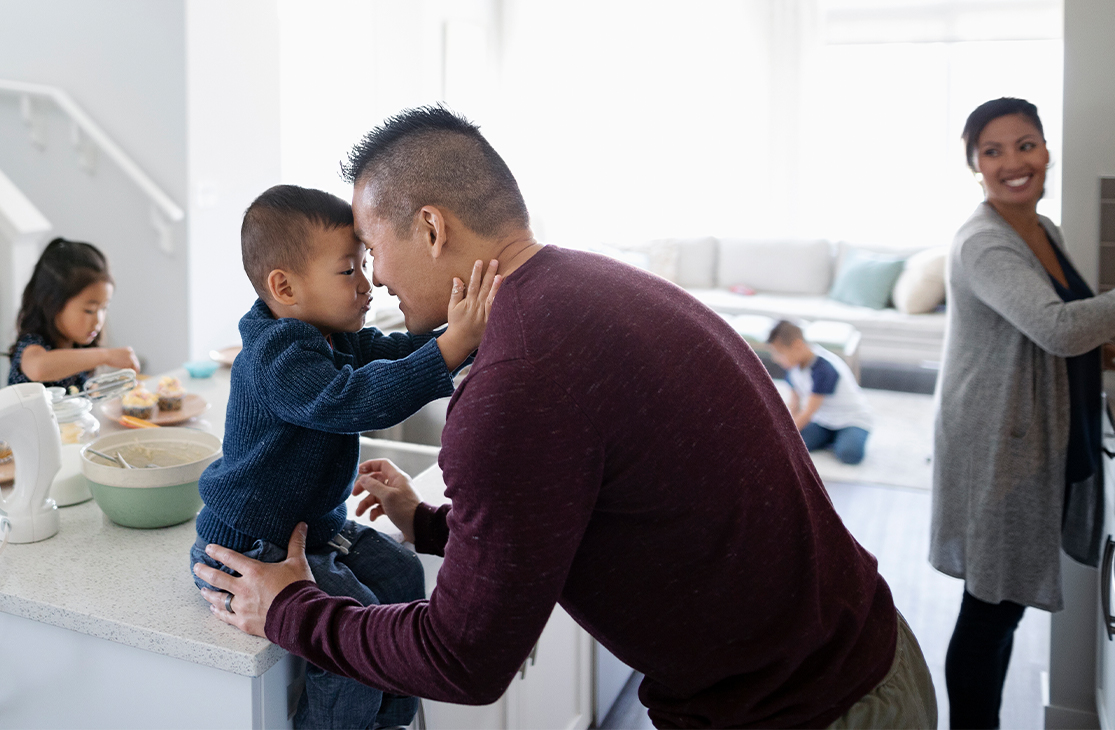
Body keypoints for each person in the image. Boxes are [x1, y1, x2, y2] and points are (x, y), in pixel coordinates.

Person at [193, 106, 938, 728]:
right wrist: (426, 526)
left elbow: (463, 657)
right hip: (857, 660)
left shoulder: (520, 382)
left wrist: (289, 607)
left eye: (373, 248)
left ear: (430, 228)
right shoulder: (596, 284)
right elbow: (563, 514)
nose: (376, 275)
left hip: (808, 711)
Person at [189, 184, 499, 729]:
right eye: (348, 271)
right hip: (254, 545)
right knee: (351, 644)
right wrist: (452, 349)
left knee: (403, 574)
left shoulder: (332, 334)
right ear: (284, 287)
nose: (367, 284)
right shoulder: (277, 354)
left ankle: (390, 721)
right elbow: (350, 400)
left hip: (316, 528)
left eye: (364, 264)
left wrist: (469, 336)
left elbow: (394, 351)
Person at [929, 97, 1115, 729]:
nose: (1014, 162)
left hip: (1028, 429)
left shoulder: (1041, 229)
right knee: (990, 607)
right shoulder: (985, 242)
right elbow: (1057, 329)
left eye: (1026, 144)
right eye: (993, 151)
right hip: (997, 440)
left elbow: (1046, 335)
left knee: (1001, 604)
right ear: (974, 167)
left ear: (1045, 151)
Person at [6, 237, 140, 388]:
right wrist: (105, 356)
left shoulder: (78, 345)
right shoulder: (32, 344)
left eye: (104, 308)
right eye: (89, 310)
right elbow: (38, 368)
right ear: (53, 303)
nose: (98, 321)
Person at [768, 320, 873, 465]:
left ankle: (842, 437)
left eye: (779, 353)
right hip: (823, 420)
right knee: (794, 445)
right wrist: (782, 430)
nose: (775, 359)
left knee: (849, 454)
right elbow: (794, 404)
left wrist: (785, 435)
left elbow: (808, 411)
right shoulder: (793, 368)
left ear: (797, 345)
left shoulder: (824, 368)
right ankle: (831, 438)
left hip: (850, 419)